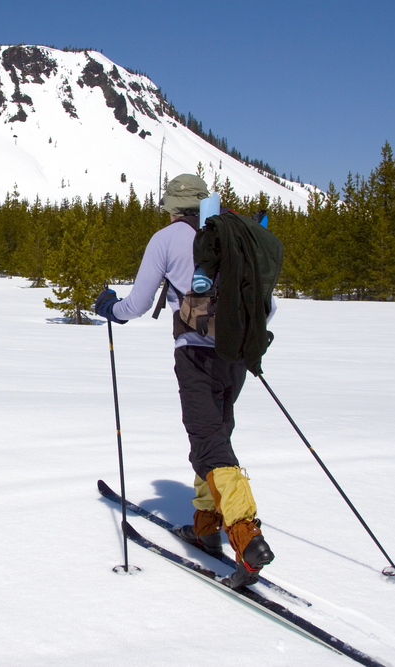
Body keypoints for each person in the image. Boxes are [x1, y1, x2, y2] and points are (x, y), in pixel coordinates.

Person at [93, 174, 274, 588]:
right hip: (236, 356)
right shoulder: (234, 234)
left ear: (173, 206)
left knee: (211, 446)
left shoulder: (167, 238)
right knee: (212, 437)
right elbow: (269, 305)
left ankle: (247, 539)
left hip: (195, 355)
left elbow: (135, 305)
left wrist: (110, 308)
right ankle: (206, 527)